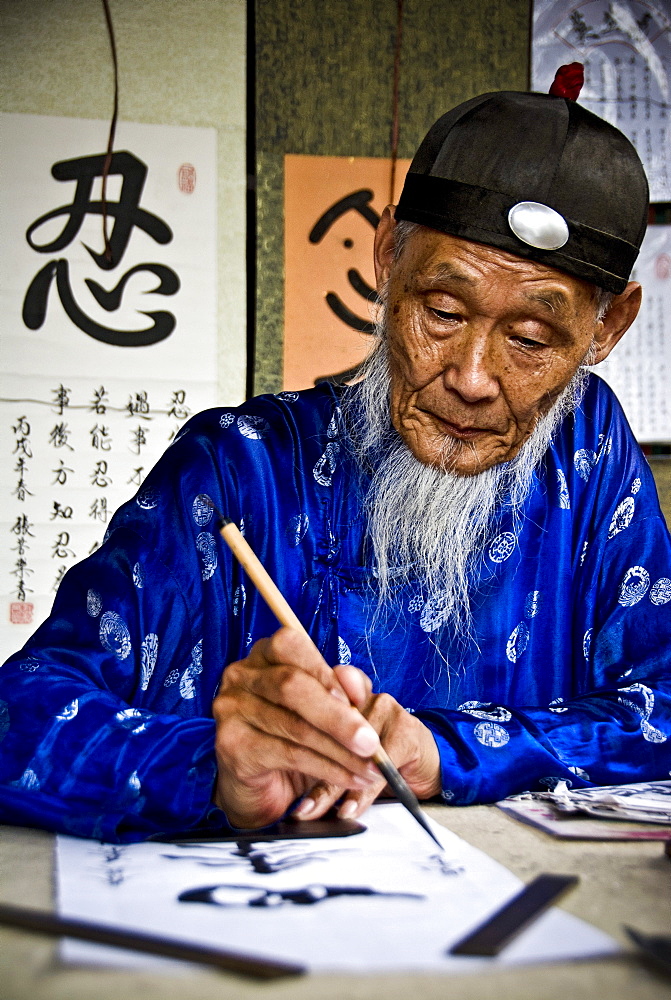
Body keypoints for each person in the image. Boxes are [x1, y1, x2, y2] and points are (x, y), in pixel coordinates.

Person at [1, 83, 670, 842]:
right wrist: (208, 767)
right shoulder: (237, 468)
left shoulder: (586, 452)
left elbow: (664, 703)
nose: (472, 377)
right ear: (388, 258)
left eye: (530, 338)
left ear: (606, 327)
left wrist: (442, 751)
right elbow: (19, 712)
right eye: (442, 313)